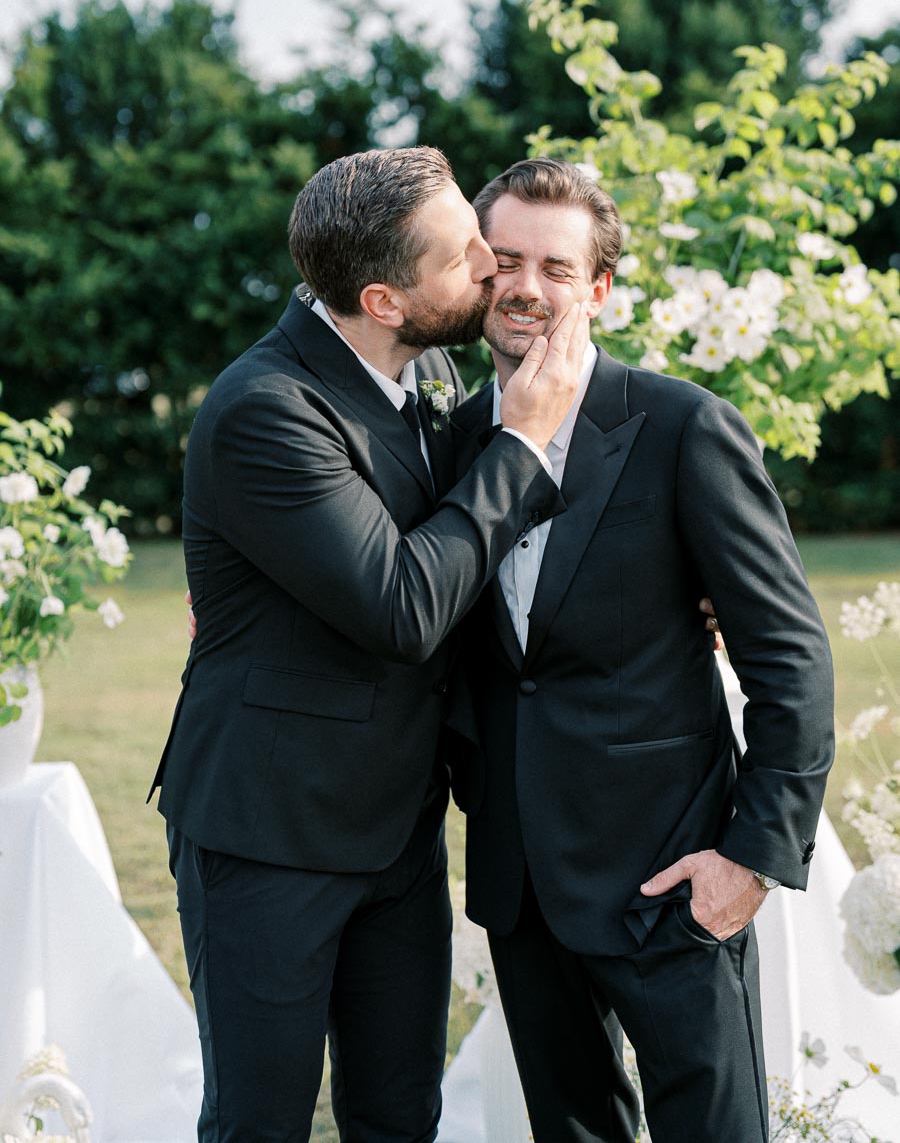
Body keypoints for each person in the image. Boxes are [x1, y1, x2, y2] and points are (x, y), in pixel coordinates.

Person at [148, 146, 591, 1143]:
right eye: (463, 255)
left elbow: (480, 555)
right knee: (261, 1120)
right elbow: (404, 604)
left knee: (399, 1112)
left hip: (400, 824)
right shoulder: (264, 410)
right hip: (268, 827)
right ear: (384, 301)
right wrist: (522, 443)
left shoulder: (427, 368)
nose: (490, 263)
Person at [446, 158, 835, 1143]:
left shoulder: (684, 428)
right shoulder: (448, 444)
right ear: (477, 273)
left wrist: (752, 858)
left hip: (672, 876)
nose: (527, 287)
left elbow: (790, 657)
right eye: (505, 261)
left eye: (557, 268)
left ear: (600, 291)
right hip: (520, 882)